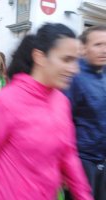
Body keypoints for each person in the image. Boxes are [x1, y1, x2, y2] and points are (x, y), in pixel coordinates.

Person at [0, 23, 93, 200]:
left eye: (76, 60)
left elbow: (69, 155)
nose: (75, 69)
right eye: (66, 59)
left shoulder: (61, 102)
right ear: (40, 57)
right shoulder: (5, 102)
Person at [64, 25, 106, 200]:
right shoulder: (74, 78)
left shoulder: (104, 73)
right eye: (98, 44)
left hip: (102, 159)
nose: (104, 50)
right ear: (83, 49)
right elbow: (63, 123)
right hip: (82, 162)